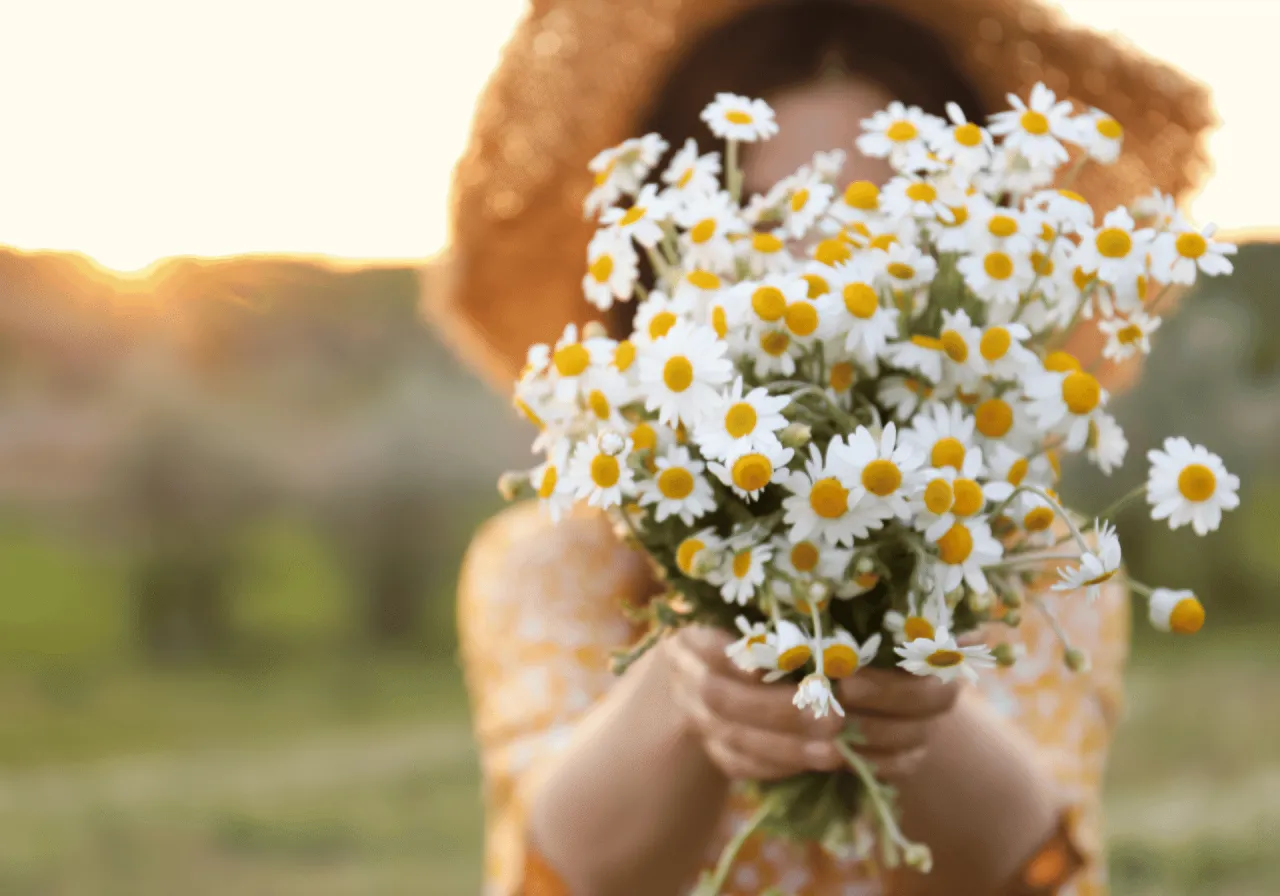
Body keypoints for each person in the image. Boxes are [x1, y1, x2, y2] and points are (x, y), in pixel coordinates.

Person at [429, 2, 1216, 894]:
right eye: (765, 224)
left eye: (875, 221)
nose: (818, 270)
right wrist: (699, 670)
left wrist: (907, 683)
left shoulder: (1036, 566)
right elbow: (560, 878)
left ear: (966, 255)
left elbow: (1032, 876)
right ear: (670, 268)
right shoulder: (556, 563)